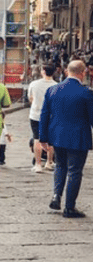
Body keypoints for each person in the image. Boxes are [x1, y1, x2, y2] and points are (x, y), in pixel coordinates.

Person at [40, 60, 93, 218]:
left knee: (60, 166)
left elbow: (44, 116)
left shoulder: (52, 90)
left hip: (57, 136)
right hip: (78, 138)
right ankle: (69, 207)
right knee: (75, 171)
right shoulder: (86, 93)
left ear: (66, 71)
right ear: (82, 73)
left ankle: (56, 196)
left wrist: (43, 137)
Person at [28, 63, 57, 173]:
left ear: (43, 71)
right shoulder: (56, 86)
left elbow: (30, 98)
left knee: (37, 139)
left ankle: (38, 164)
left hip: (35, 114)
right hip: (51, 115)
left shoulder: (34, 84)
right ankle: (49, 162)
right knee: (50, 139)